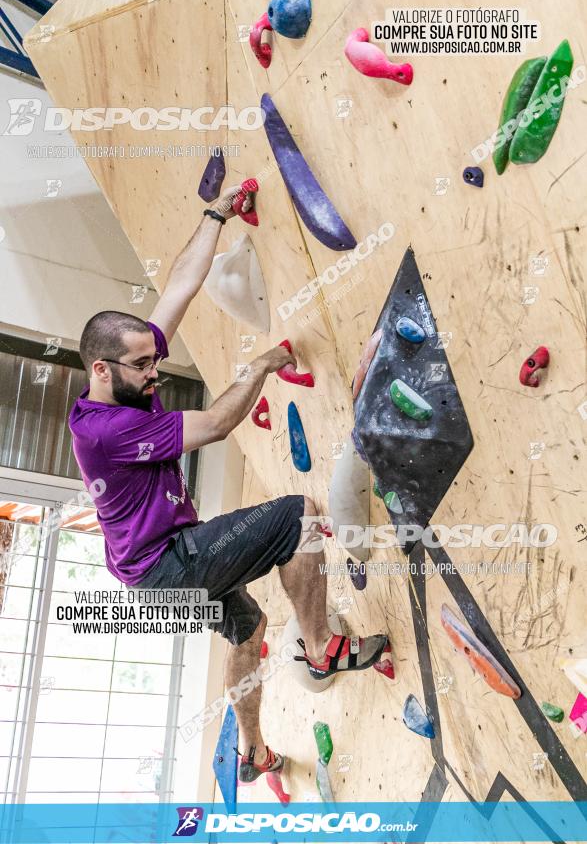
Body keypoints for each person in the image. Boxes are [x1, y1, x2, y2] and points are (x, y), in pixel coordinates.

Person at [69, 184, 387, 782]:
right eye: (143, 366)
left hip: (151, 576)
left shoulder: (112, 386)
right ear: (103, 370)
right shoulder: (108, 431)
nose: (154, 370)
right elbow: (215, 424)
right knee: (300, 515)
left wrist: (215, 215)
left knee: (248, 626)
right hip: (170, 565)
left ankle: (252, 750)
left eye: (152, 358)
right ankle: (321, 647)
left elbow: (181, 289)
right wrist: (262, 365)